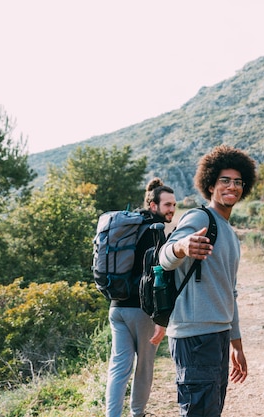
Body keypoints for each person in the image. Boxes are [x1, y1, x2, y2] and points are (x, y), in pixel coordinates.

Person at [158, 145, 257, 416]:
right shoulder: (199, 217)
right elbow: (163, 256)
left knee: (210, 411)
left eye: (238, 182)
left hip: (218, 336)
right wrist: (182, 247)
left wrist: (236, 344)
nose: (232, 186)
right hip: (194, 336)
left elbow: (230, 293)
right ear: (211, 185)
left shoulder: (230, 233)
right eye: (225, 180)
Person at [105, 178, 177, 417]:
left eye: (174, 205)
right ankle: (138, 414)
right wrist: (162, 317)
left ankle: (112, 415)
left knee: (119, 367)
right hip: (141, 310)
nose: (172, 209)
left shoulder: (128, 226)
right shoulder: (154, 232)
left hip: (117, 308)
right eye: (167, 204)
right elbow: (160, 277)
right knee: (144, 367)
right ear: (152, 204)